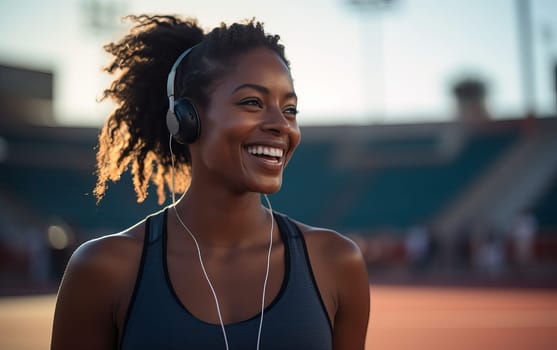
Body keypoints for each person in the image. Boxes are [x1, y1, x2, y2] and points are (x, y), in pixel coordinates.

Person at [51, 15, 370, 350]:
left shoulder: (337, 262)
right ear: (186, 119)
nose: (281, 125)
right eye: (252, 102)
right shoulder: (103, 270)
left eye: (290, 109)